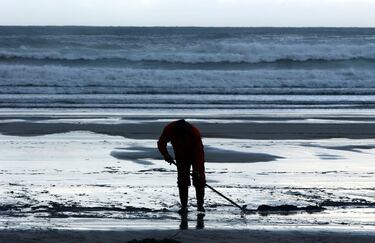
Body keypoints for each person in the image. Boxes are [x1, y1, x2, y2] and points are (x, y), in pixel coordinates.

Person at [157, 119, 206, 214]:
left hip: (195, 153)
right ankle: (184, 206)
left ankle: (200, 204)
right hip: (180, 155)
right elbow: (161, 143)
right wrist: (166, 155)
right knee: (182, 179)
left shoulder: (194, 132)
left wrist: (196, 170)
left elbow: (198, 154)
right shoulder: (169, 129)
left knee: (199, 178)